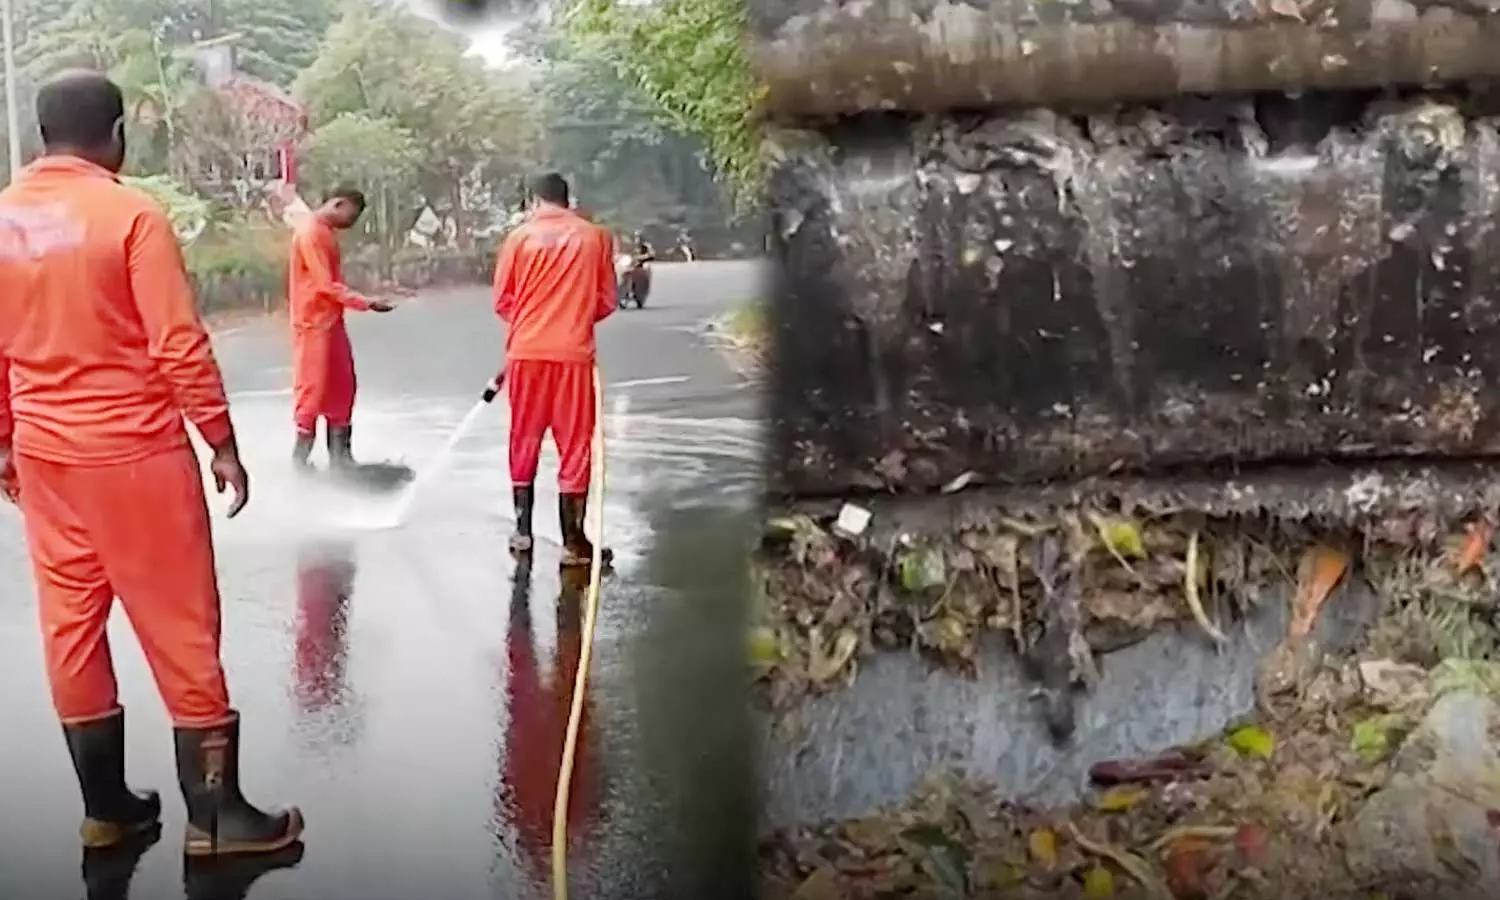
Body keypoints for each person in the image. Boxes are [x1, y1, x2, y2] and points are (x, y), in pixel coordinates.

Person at [0, 70, 301, 857]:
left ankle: (109, 809)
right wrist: (221, 442)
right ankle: (216, 819)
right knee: (180, 626)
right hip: (133, 453)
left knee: (71, 627)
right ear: (118, 133)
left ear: (40, 135)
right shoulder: (131, 213)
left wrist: (4, 443)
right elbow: (176, 342)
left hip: (46, 460)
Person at [493, 172, 615, 566]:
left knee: (524, 436)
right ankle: (573, 543)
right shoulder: (595, 237)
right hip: (572, 354)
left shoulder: (517, 239)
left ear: (535, 200)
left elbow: (503, 301)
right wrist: (573, 316)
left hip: (525, 354)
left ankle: (523, 530)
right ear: (569, 199)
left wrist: (532, 322)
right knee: (575, 443)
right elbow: (606, 301)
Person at [288, 185, 394, 472]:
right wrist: (365, 302)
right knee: (313, 388)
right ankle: (300, 463)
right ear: (338, 203)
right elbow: (324, 284)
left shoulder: (324, 233)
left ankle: (341, 460)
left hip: (330, 320)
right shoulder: (311, 233)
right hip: (312, 323)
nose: (352, 222)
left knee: (342, 385)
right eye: (352, 214)